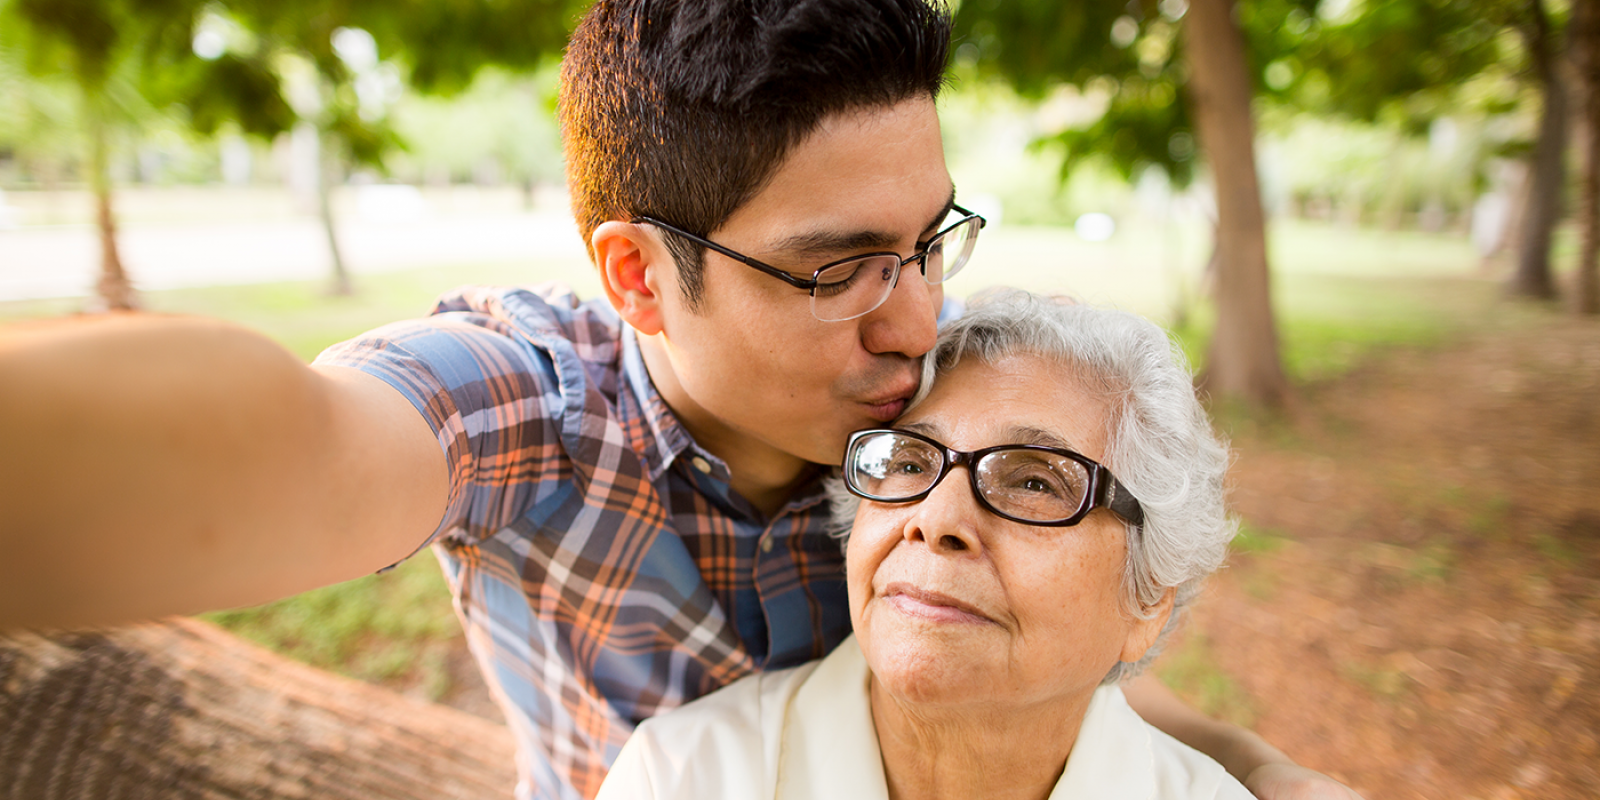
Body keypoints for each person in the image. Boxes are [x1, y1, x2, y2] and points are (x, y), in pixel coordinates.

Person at [0, 2, 1359, 799]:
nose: (916, 321)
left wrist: (1253, 766)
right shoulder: (531, 408)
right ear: (639, 278)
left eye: (928, 242)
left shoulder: (923, 401)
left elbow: (1049, 642)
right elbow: (289, 446)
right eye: (836, 269)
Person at [596, 291, 1251, 799]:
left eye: (1032, 481)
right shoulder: (681, 778)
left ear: (1148, 604)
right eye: (909, 463)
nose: (936, 519)